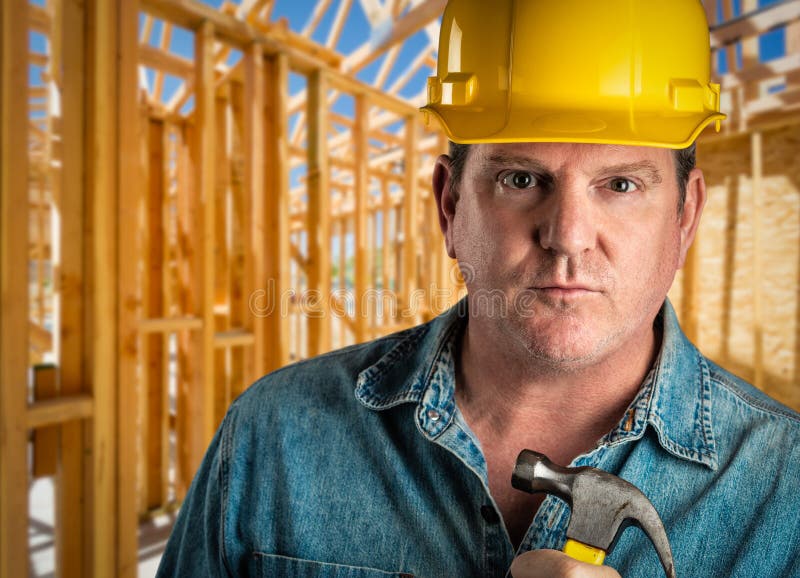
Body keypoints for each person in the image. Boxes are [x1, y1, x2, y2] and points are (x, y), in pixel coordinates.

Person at [157, 0, 800, 576]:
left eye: (620, 185)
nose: (568, 236)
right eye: (521, 180)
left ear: (685, 218)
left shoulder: (785, 490)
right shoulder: (275, 438)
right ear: (449, 206)